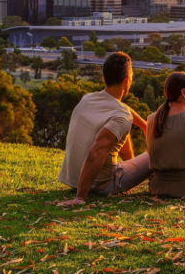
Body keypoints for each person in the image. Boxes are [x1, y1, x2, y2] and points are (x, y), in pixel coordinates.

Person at [56, 52, 151, 206]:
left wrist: (143, 124)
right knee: (155, 153)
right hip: (103, 185)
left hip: (72, 179)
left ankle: (131, 165)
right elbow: (96, 153)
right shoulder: (121, 116)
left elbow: (121, 109)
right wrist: (80, 197)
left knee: (117, 129)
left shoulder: (87, 98)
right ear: (127, 79)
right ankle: (163, 187)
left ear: (104, 76)